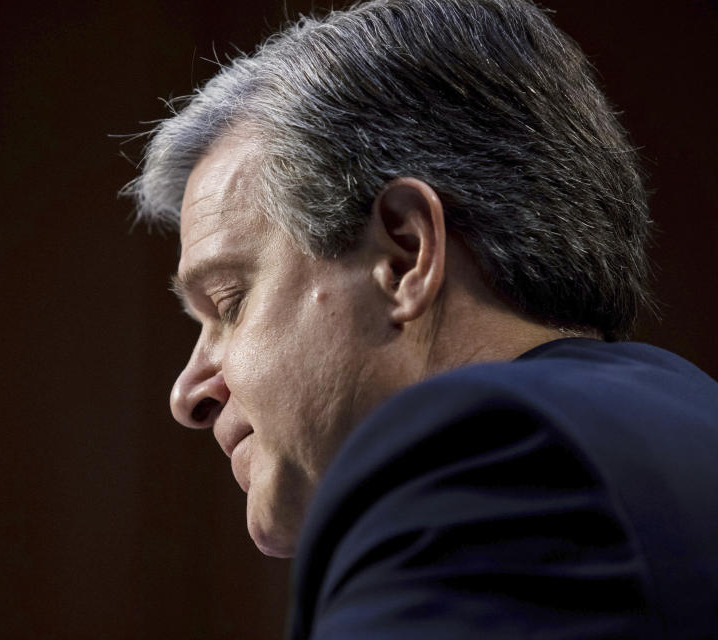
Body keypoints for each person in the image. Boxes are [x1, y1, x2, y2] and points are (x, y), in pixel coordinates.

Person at [123, 0, 718, 636]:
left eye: (229, 303)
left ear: (405, 256)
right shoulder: (680, 421)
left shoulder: (489, 463)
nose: (188, 392)